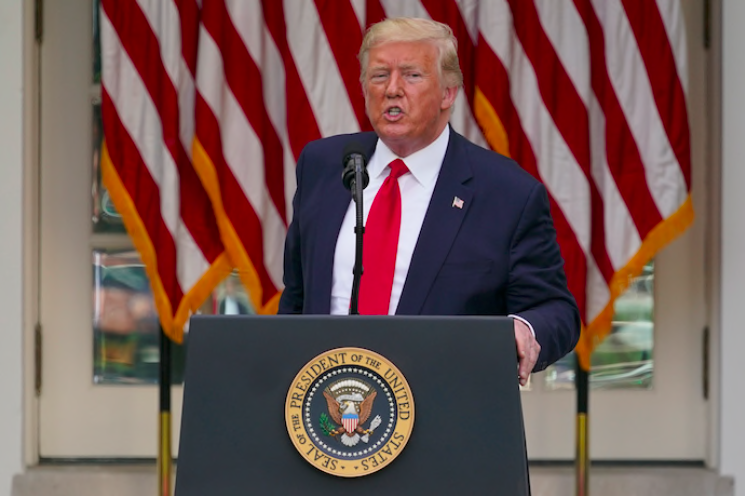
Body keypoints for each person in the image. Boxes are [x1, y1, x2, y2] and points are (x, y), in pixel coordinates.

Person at [278, 17, 580, 385]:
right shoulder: (324, 166)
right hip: (324, 413)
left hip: (445, 412)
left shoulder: (507, 193)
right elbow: (297, 296)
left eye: (412, 75)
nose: (392, 89)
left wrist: (525, 329)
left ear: (448, 93)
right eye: (379, 75)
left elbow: (555, 309)